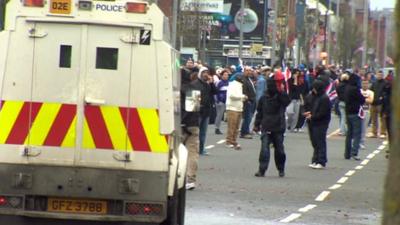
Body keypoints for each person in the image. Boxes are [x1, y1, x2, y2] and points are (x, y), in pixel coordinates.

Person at [253, 75, 290, 177]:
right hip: (266, 125)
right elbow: (259, 112)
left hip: (278, 126)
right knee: (264, 149)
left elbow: (287, 102)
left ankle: (281, 169)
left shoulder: (281, 96)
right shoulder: (264, 97)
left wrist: (281, 92)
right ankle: (262, 170)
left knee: (279, 150)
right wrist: (257, 124)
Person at [304, 79, 332, 169]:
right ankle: (315, 160)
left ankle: (321, 161)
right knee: (314, 141)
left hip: (321, 123)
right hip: (312, 121)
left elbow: (323, 112)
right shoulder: (310, 96)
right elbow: (305, 106)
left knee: (320, 141)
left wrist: (312, 116)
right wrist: (306, 112)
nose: (313, 90)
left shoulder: (324, 98)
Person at [180, 72, 201, 190]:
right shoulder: (194, 90)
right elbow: (195, 109)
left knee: (176, 152)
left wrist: (182, 122)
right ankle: (191, 179)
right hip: (193, 125)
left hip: (180, 125)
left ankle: (178, 176)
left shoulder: (177, 90)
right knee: (192, 153)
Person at [192, 67, 217, 156]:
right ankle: (195, 149)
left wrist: (212, 83)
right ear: (200, 74)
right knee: (196, 133)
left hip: (206, 111)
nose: (206, 74)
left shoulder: (207, 84)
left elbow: (215, 92)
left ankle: (201, 149)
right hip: (198, 112)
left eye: (207, 72)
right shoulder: (195, 84)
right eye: (204, 72)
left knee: (203, 132)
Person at [344, 73, 365, 161]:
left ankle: (347, 153)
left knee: (349, 133)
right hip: (356, 112)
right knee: (357, 134)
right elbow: (362, 100)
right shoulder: (356, 89)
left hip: (348, 112)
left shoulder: (347, 88)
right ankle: (354, 152)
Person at [225, 76, 247, 150]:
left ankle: (233, 141)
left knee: (237, 127)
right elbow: (231, 96)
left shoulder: (239, 85)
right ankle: (229, 141)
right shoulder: (233, 85)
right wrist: (242, 96)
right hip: (232, 108)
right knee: (231, 126)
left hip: (238, 108)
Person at [368, 70, 387, 138]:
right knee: (374, 119)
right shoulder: (374, 83)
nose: (379, 76)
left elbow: (387, 93)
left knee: (382, 119)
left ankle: (383, 132)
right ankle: (374, 132)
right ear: (376, 75)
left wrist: (383, 97)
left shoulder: (385, 83)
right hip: (373, 103)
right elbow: (370, 91)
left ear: (383, 75)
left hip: (381, 104)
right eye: (378, 75)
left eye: (381, 75)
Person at [240, 66, 257, 139]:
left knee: (249, 117)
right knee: (247, 117)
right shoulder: (243, 79)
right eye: (247, 70)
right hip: (248, 101)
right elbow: (244, 91)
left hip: (252, 100)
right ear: (244, 71)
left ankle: (246, 131)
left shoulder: (249, 79)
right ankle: (244, 132)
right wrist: (247, 100)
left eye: (250, 71)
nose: (249, 72)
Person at [360, 79, 374, 149]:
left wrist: (363, 99)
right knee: (357, 127)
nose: (365, 85)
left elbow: (371, 100)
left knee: (363, 128)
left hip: (367, 111)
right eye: (363, 83)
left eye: (366, 83)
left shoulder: (371, 92)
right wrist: (365, 99)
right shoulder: (359, 91)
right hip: (359, 111)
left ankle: (362, 142)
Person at [214, 70, 229, 135]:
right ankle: (217, 128)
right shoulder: (219, 82)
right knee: (219, 115)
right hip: (220, 101)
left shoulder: (229, 83)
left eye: (227, 75)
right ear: (221, 75)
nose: (226, 76)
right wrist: (217, 101)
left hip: (227, 101)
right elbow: (215, 92)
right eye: (224, 75)